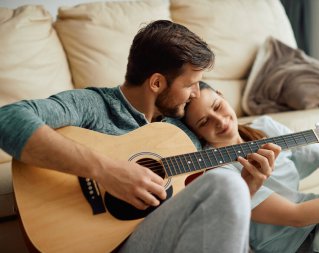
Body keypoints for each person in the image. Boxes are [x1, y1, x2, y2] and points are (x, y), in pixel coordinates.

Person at [0, 20, 278, 253]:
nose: (196, 94)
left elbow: (203, 208)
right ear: (157, 83)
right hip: (106, 243)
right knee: (225, 183)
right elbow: (7, 119)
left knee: (229, 183)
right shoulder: (93, 105)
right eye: (190, 85)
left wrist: (247, 188)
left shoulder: (181, 126)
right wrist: (106, 170)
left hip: (162, 235)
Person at [183, 81, 319, 253]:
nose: (218, 120)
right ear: (198, 134)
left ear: (221, 95)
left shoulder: (264, 126)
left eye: (217, 107)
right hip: (308, 243)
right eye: (204, 122)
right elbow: (297, 216)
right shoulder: (219, 174)